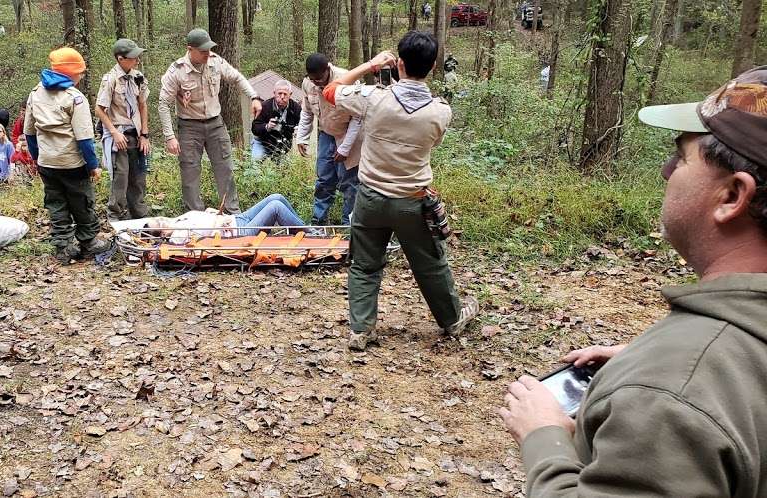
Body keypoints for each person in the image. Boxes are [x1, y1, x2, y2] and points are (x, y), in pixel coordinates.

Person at [500, 66, 767, 497]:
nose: (667, 171)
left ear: (733, 196)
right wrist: (645, 362)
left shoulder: (671, 392)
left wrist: (545, 437)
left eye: (682, 157)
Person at [323, 32, 479, 350]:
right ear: (432, 66)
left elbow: (330, 90)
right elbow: (433, 143)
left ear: (400, 63)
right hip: (413, 201)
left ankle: (361, 330)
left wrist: (371, 64)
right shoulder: (440, 111)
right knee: (431, 265)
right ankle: (451, 320)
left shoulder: (373, 98)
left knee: (365, 264)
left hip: (370, 197)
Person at [158, 28, 262, 214]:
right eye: (203, 51)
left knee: (225, 168)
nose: (207, 53)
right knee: (190, 172)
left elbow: (237, 78)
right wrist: (169, 136)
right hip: (189, 126)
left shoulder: (215, 62)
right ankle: (194, 216)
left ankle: (232, 213)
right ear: (190, 49)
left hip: (215, 123)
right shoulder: (177, 71)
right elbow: (163, 104)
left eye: (208, 49)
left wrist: (254, 96)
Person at [24, 47, 111, 264]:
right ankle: (89, 241)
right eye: (80, 72)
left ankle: (63, 247)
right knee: (82, 202)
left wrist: (37, 159)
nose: (81, 76)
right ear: (70, 73)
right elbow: (84, 138)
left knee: (56, 204)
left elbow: (29, 133)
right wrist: (93, 165)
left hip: (47, 163)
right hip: (72, 163)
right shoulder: (75, 98)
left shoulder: (35, 93)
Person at [295, 53, 363, 226]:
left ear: (328, 69)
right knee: (324, 179)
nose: (317, 82)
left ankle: (349, 226)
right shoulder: (307, 83)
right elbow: (307, 111)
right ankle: (318, 222)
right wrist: (301, 137)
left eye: (320, 78)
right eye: (313, 79)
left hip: (349, 134)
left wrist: (345, 148)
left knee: (349, 182)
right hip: (326, 133)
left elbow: (358, 117)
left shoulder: (347, 79)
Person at [95, 38, 152, 221]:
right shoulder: (110, 79)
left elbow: (142, 105)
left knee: (138, 176)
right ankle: (115, 215)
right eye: (133, 57)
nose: (137, 60)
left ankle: (139, 214)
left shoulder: (138, 77)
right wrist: (113, 132)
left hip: (136, 133)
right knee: (121, 177)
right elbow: (99, 109)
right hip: (118, 134)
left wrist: (144, 134)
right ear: (121, 59)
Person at [145, 193, 311, 243]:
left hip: (237, 218)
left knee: (276, 197)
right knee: (275, 208)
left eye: (158, 218)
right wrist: (217, 226)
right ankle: (310, 235)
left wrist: (213, 214)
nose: (162, 219)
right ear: (163, 234)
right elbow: (203, 239)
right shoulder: (178, 236)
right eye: (159, 224)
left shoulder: (178, 220)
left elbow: (202, 218)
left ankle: (305, 229)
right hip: (240, 232)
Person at [250, 80, 301, 162]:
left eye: (285, 94)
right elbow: (255, 128)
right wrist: (267, 126)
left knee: (283, 169)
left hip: (283, 143)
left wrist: (297, 130)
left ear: (290, 94)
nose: (282, 97)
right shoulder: (264, 106)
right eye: (279, 93)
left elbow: (303, 124)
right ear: (274, 93)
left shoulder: (296, 108)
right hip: (262, 141)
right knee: (256, 162)